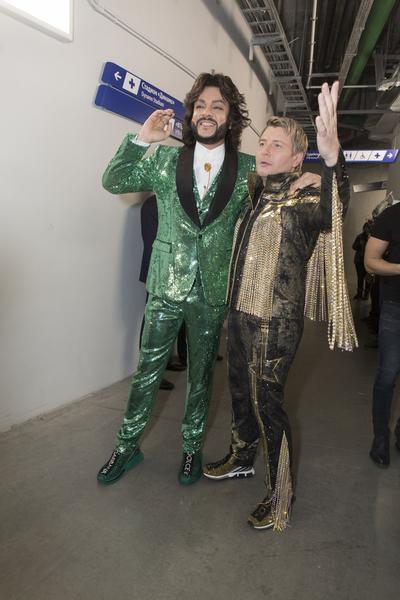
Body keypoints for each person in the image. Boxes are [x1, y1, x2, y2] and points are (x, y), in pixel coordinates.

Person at [97, 72, 318, 487]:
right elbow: (114, 181)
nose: (207, 113)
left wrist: (313, 178)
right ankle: (125, 447)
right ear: (191, 113)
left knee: (201, 377)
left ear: (230, 116)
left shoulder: (250, 169)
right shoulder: (164, 160)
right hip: (165, 287)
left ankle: (191, 449)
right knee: (146, 373)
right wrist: (142, 139)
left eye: (217, 106)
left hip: (214, 292)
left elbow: (286, 191)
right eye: (200, 106)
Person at [203, 82, 357, 531]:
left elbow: (333, 211)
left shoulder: (306, 197)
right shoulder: (256, 192)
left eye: (277, 145)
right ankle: (241, 456)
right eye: (263, 142)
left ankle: (279, 491)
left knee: (267, 404)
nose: (265, 150)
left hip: (275, 322)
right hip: (238, 313)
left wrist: (332, 163)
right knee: (239, 392)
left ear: (296, 159)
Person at [364, 201, 400, 467]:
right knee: (387, 376)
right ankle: (380, 438)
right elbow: (370, 262)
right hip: (395, 307)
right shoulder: (393, 215)